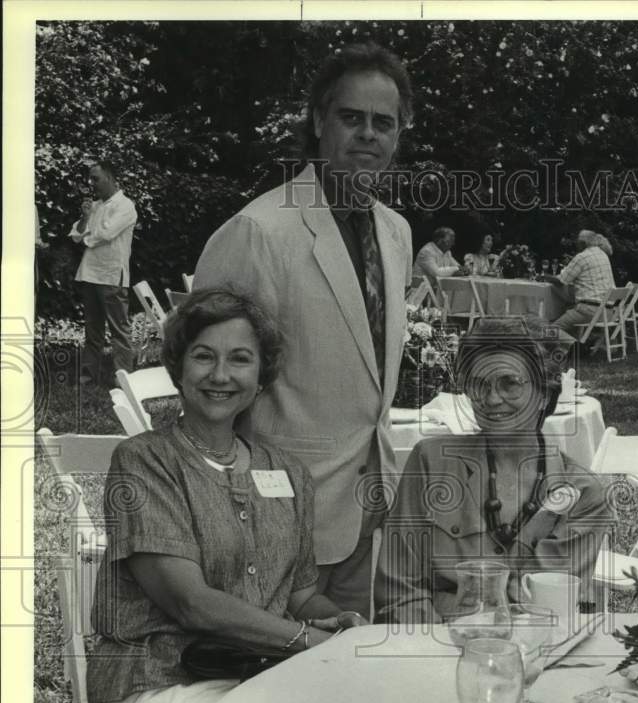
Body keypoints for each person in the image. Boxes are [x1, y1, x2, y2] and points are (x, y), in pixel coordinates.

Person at [86, 289, 366, 703]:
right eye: (203, 356)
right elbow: (190, 603)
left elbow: (301, 596)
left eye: (240, 359)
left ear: (261, 377)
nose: (220, 375)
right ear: (178, 368)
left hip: (260, 679)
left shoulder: (289, 473)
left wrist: (335, 622)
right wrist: (306, 641)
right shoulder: (143, 461)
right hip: (159, 685)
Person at [194, 43, 414, 616]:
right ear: (319, 121)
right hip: (277, 519)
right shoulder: (259, 231)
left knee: (350, 665)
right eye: (351, 117)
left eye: (384, 123)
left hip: (369, 510)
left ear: (398, 134)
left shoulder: (396, 232)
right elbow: (210, 389)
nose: (368, 134)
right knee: (278, 672)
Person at [375, 316, 612, 623]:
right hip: (428, 640)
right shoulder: (430, 463)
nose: (491, 399)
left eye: (510, 384)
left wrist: (450, 605)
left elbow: (542, 605)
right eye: (479, 385)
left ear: (544, 393)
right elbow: (398, 591)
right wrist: (438, 639)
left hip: (532, 644)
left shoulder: (584, 494)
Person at [69, 161, 138, 385]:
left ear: (110, 177)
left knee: (119, 330)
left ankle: (124, 379)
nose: (91, 183)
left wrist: (87, 237)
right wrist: (85, 218)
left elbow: (106, 234)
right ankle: (89, 375)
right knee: (93, 329)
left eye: (95, 179)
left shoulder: (125, 206)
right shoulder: (95, 206)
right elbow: (76, 235)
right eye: (90, 179)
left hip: (111, 275)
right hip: (90, 273)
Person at [550, 230, 615, 343]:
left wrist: (545, 277)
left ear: (583, 243)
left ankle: (575, 346)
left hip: (590, 311)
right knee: (569, 309)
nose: (576, 244)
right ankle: (577, 343)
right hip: (608, 312)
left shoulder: (582, 257)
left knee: (550, 331)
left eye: (577, 242)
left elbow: (562, 281)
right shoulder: (603, 255)